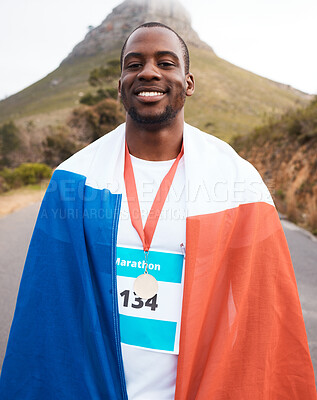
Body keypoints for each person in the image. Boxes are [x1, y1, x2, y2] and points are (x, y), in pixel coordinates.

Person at [0, 22, 316, 400]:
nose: (148, 72)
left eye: (165, 63)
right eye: (134, 64)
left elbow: (267, 310)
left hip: (199, 385)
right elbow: (46, 310)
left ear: (189, 82)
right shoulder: (74, 180)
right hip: (92, 384)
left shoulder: (237, 182)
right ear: (120, 84)